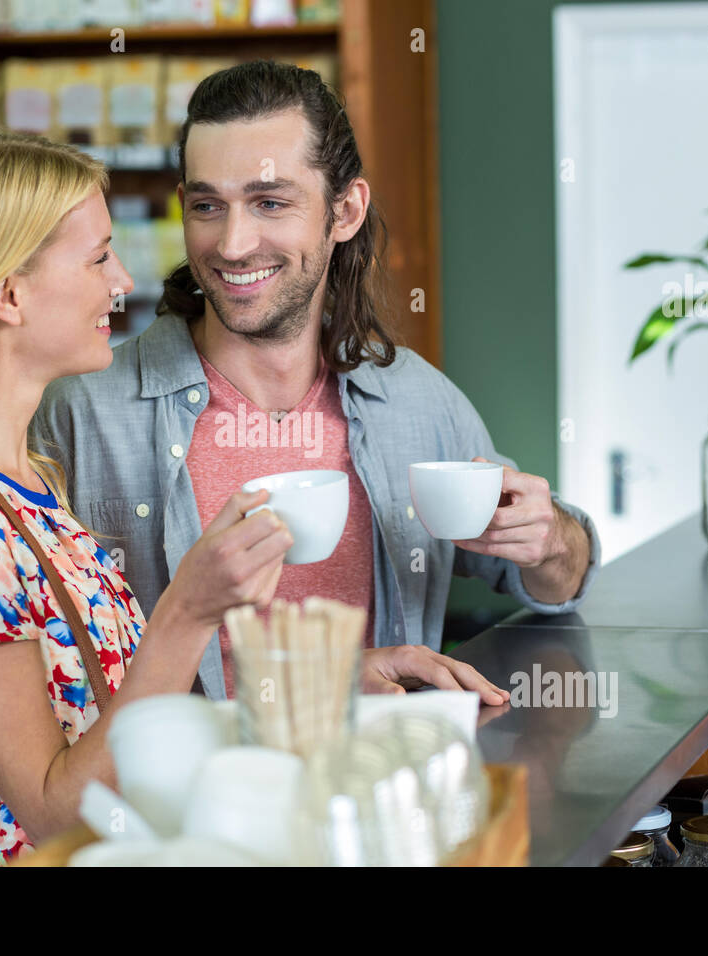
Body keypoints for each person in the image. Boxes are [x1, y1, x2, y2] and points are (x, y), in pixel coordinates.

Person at [0, 127, 299, 866]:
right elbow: (52, 810)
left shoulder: (30, 477)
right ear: (7, 293)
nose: (124, 281)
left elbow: (107, 718)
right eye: (99, 256)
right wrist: (188, 610)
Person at [42, 60, 603, 702]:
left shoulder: (414, 402)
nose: (231, 242)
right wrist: (318, 693)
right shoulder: (82, 413)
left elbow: (560, 583)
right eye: (207, 205)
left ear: (344, 211)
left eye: (269, 202)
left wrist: (552, 538)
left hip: (377, 789)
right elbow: (52, 690)